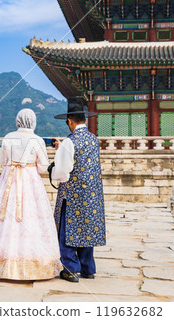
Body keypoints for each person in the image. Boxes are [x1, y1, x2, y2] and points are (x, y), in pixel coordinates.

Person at [0, 108, 62, 280]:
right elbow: (43, 167)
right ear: (33, 121)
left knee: (4, 218)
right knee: (32, 218)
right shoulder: (37, 140)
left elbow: (2, 161)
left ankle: (1, 261)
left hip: (9, 179)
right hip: (30, 181)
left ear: (18, 120)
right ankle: (32, 262)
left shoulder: (8, 137)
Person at [49, 97, 106, 283]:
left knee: (68, 231)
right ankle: (88, 268)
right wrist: (62, 149)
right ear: (86, 120)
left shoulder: (69, 142)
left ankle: (71, 269)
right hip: (92, 193)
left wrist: (53, 169)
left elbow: (63, 172)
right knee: (87, 229)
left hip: (72, 194)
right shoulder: (94, 140)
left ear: (70, 121)